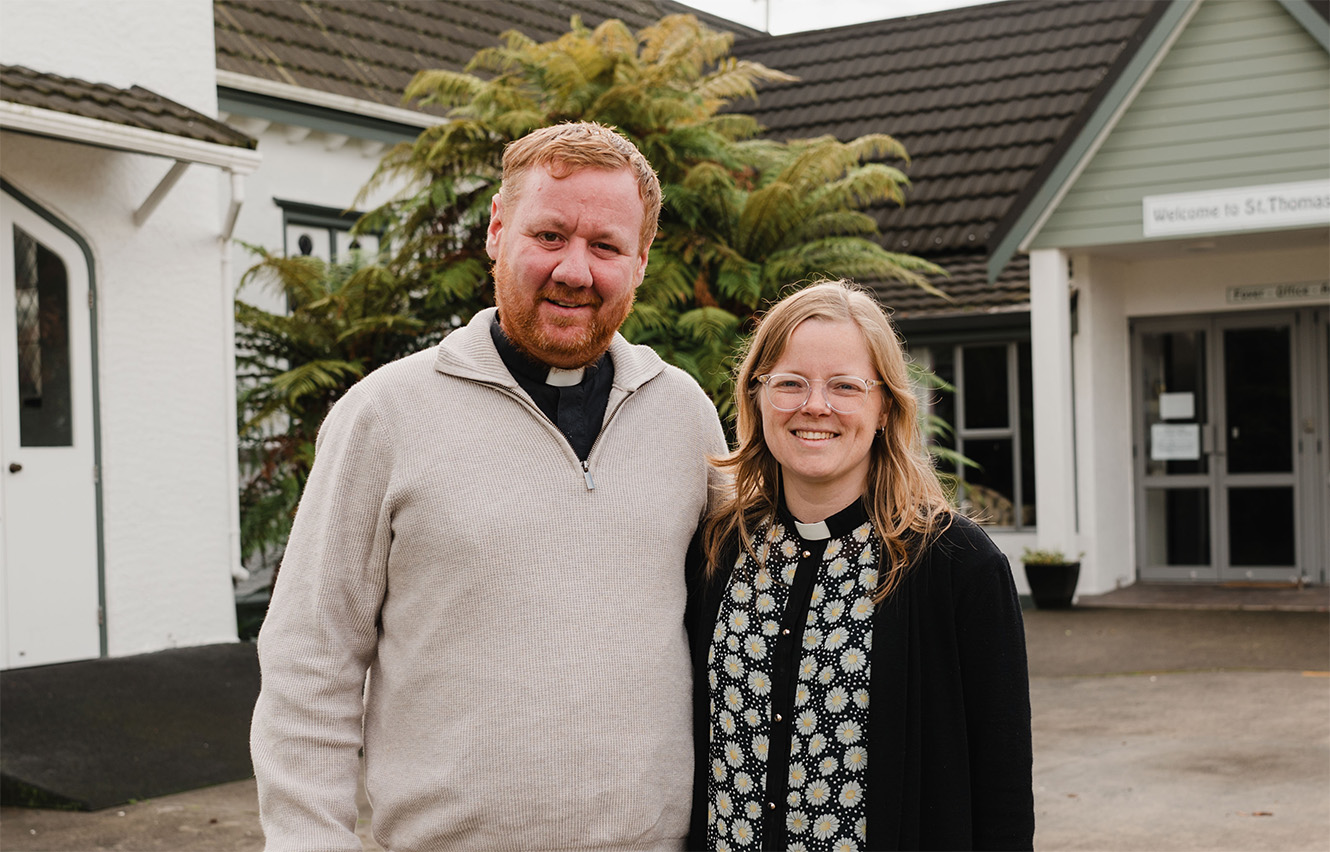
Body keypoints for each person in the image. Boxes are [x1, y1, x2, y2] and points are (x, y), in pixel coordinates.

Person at [251, 121, 727, 851]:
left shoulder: (684, 414)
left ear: (640, 260)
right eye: (549, 235)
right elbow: (311, 659)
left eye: (605, 246)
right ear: (497, 231)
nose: (575, 269)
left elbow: (740, 626)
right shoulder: (385, 415)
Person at [686, 280, 1033, 851]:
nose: (814, 405)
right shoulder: (721, 550)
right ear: (756, 396)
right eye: (790, 383)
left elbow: (1004, 801)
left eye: (845, 386)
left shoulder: (959, 568)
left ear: (885, 408)